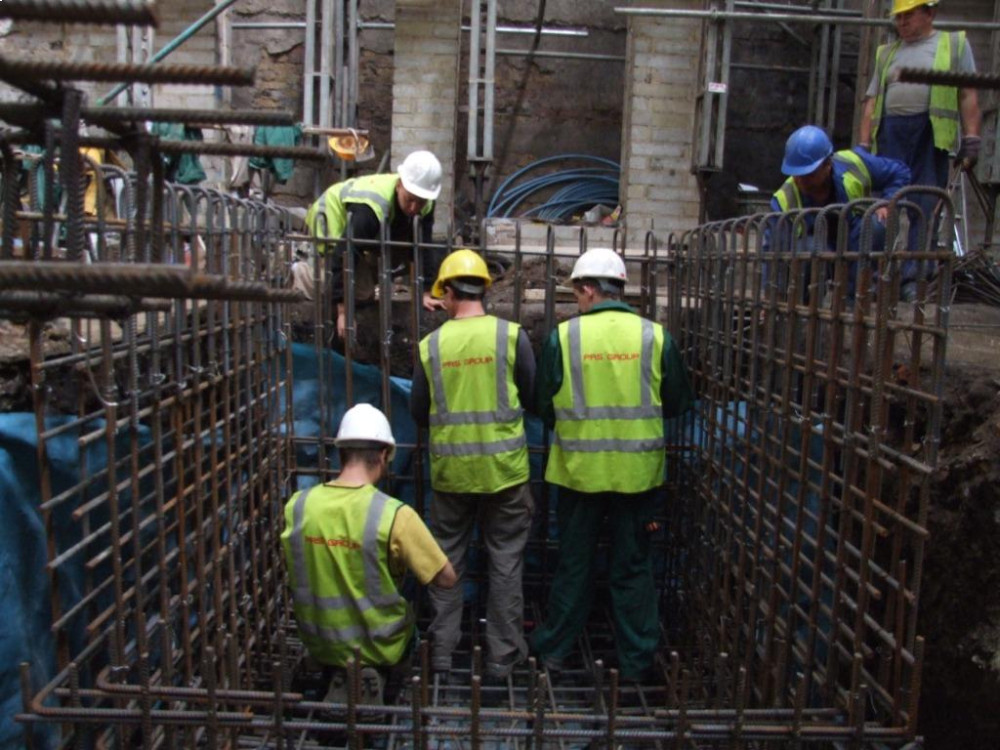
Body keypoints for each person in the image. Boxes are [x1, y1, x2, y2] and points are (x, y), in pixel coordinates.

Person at [530, 248, 694, 682]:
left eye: (576, 293)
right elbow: (677, 402)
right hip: (639, 477)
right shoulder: (655, 337)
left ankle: (555, 653)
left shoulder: (563, 339)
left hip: (579, 474)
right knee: (633, 568)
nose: (576, 302)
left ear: (588, 289)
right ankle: (637, 662)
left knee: (574, 564)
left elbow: (545, 408)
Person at [409, 249, 536, 681]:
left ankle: (443, 651)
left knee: (446, 560)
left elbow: (417, 410)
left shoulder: (431, 346)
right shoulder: (511, 336)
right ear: (485, 288)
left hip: (451, 475)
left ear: (446, 292)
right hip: (505, 473)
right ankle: (502, 657)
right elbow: (531, 394)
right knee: (505, 563)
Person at [281, 403, 457, 704]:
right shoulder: (394, 515)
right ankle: (375, 676)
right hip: (380, 646)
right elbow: (446, 579)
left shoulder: (297, 506)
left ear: (341, 453)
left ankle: (334, 673)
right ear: (384, 455)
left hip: (319, 642)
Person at [857, 0, 981, 298]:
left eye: (908, 15)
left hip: (930, 135)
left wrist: (972, 138)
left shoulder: (953, 45)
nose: (902, 22)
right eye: (898, 17)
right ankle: (877, 276)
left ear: (930, 13)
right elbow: (872, 100)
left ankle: (914, 279)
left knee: (925, 207)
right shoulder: (887, 53)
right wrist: (863, 145)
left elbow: (967, 94)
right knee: (883, 207)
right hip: (890, 134)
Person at [302, 150, 447, 342]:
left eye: (420, 202)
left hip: (366, 231)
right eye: (410, 200)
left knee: (401, 249)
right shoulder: (369, 208)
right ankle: (302, 275)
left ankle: (362, 274)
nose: (414, 208)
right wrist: (344, 310)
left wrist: (425, 292)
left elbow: (422, 246)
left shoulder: (424, 201)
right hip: (330, 220)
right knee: (362, 293)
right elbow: (345, 253)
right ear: (399, 185)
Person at [764, 125, 911, 299]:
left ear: (828, 165)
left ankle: (854, 300)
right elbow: (773, 252)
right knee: (810, 249)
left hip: (853, 238)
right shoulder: (783, 200)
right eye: (796, 175)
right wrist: (772, 294)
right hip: (816, 253)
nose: (800, 181)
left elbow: (900, 172)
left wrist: (887, 202)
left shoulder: (853, 164)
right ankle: (807, 313)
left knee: (875, 227)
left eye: (808, 175)